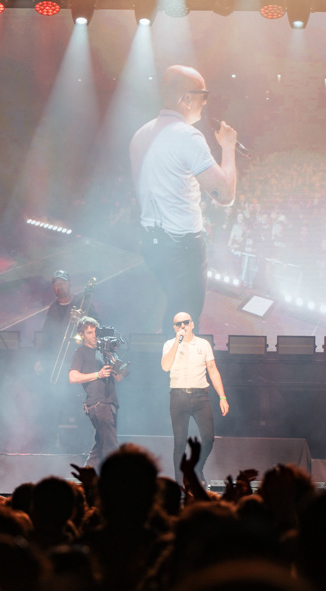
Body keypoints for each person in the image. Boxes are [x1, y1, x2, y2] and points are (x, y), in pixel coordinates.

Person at [129, 64, 238, 338]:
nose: (205, 102)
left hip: (150, 242)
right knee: (186, 321)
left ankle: (162, 358)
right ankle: (179, 365)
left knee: (169, 311)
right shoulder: (188, 136)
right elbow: (225, 195)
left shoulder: (140, 134)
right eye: (203, 95)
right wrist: (228, 146)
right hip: (182, 246)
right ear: (186, 99)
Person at [160, 311, 230, 483]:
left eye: (185, 322)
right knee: (180, 442)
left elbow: (212, 370)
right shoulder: (169, 344)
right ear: (174, 327)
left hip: (200, 397)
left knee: (208, 438)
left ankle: (198, 467)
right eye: (178, 324)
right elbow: (165, 367)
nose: (182, 326)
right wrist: (177, 342)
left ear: (192, 324)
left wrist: (222, 397)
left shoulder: (203, 344)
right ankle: (180, 484)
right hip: (178, 397)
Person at [68, 316, 124, 467]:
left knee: (100, 445)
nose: (94, 335)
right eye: (89, 332)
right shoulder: (80, 352)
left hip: (111, 402)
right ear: (82, 335)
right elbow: (73, 377)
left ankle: (86, 475)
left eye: (96, 331)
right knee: (110, 445)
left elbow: (119, 377)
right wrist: (98, 374)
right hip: (97, 403)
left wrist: (112, 356)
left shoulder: (105, 351)